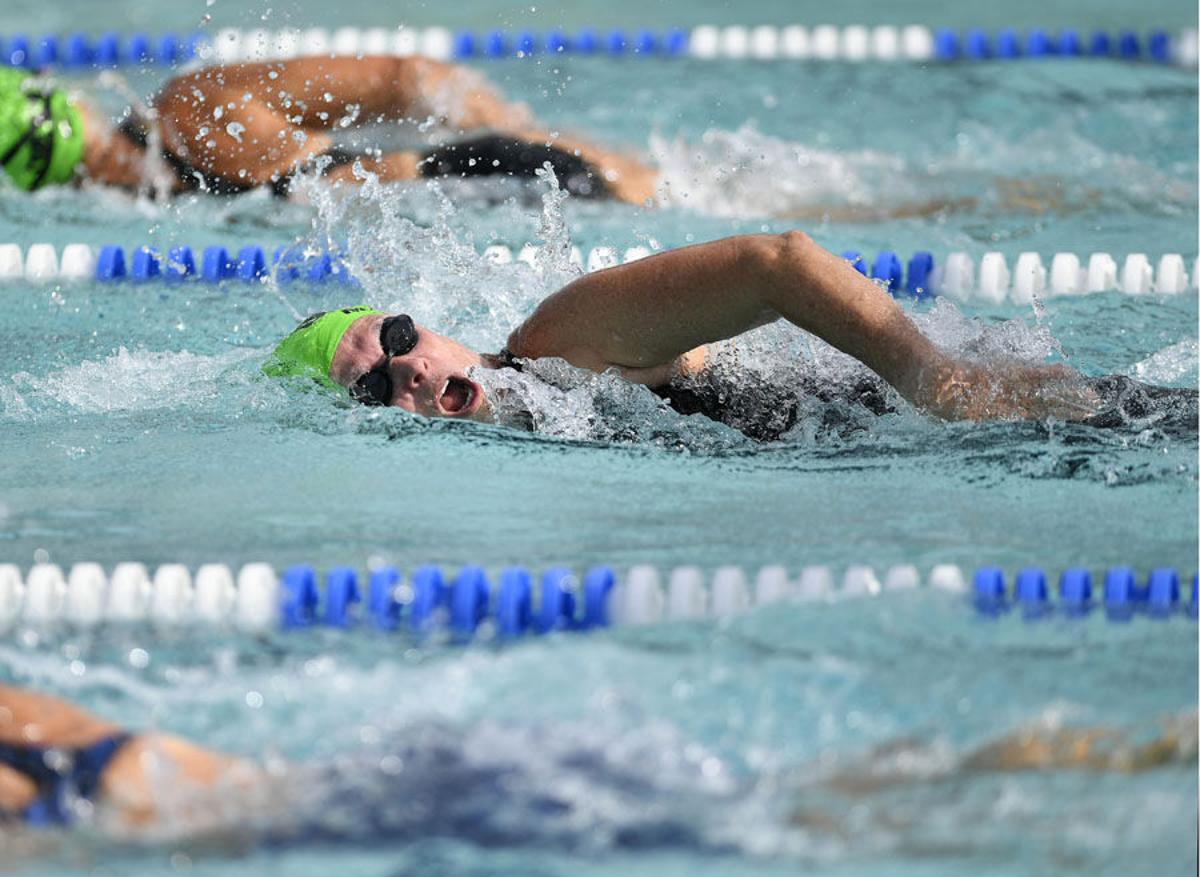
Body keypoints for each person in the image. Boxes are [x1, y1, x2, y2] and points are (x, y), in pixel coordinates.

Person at [266, 231, 1196, 442]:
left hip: (966, 419)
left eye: (397, 337)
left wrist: (936, 379)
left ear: (430, 326)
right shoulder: (536, 433)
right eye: (373, 387)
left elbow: (776, 263)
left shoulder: (557, 344)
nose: (408, 371)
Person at [0, 683, 1193, 841]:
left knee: (819, 822)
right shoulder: (28, 717)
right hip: (430, 778)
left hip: (436, 810)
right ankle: (1110, 751)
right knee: (802, 803)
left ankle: (1123, 754)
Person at [0, 55, 658, 202]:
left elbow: (409, 77)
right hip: (485, 183)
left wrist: (528, 133)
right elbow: (405, 76)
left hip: (492, 174)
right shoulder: (185, 124)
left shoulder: (192, 113)